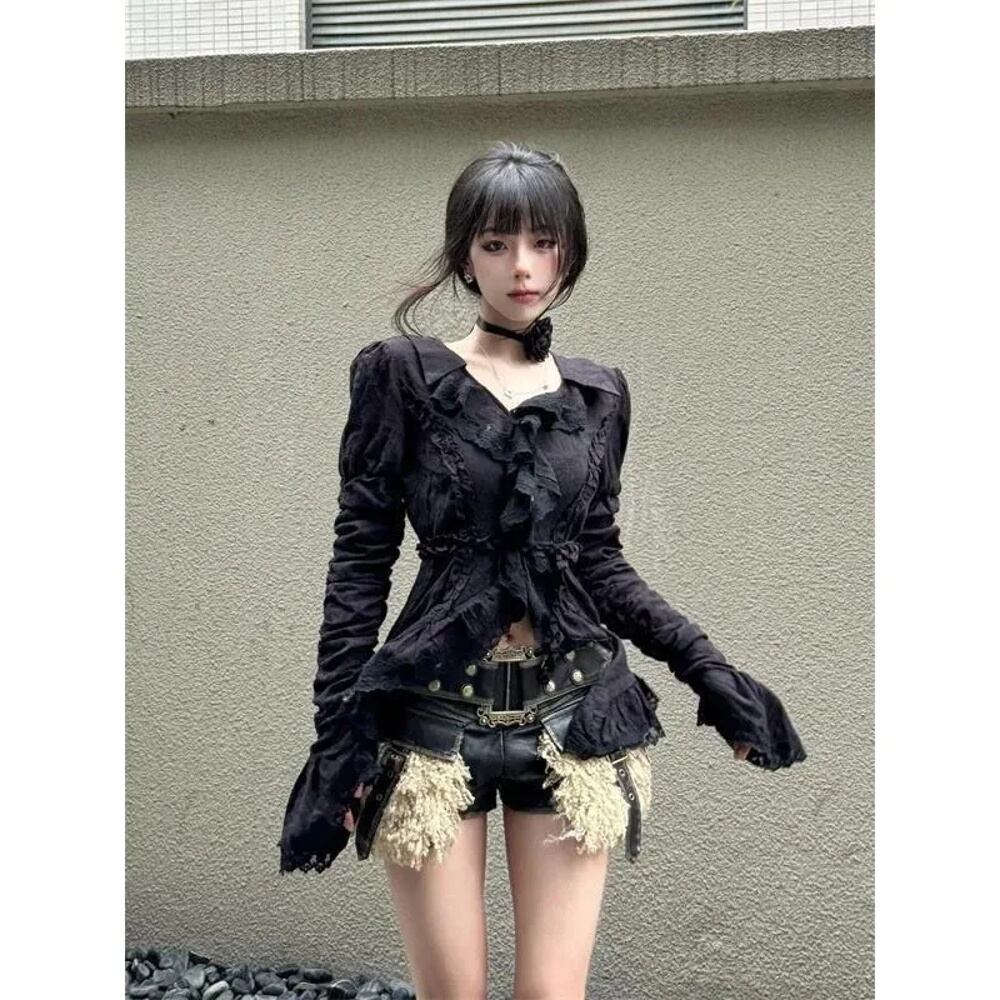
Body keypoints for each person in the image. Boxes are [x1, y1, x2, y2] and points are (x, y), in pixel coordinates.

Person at [277, 141, 806, 1000]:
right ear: (465, 256)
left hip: (573, 718)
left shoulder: (599, 396)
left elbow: (598, 562)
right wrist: (338, 736)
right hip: (432, 722)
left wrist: (709, 671)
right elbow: (360, 562)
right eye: (495, 244)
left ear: (570, 251)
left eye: (542, 242)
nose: (521, 267)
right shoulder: (401, 375)